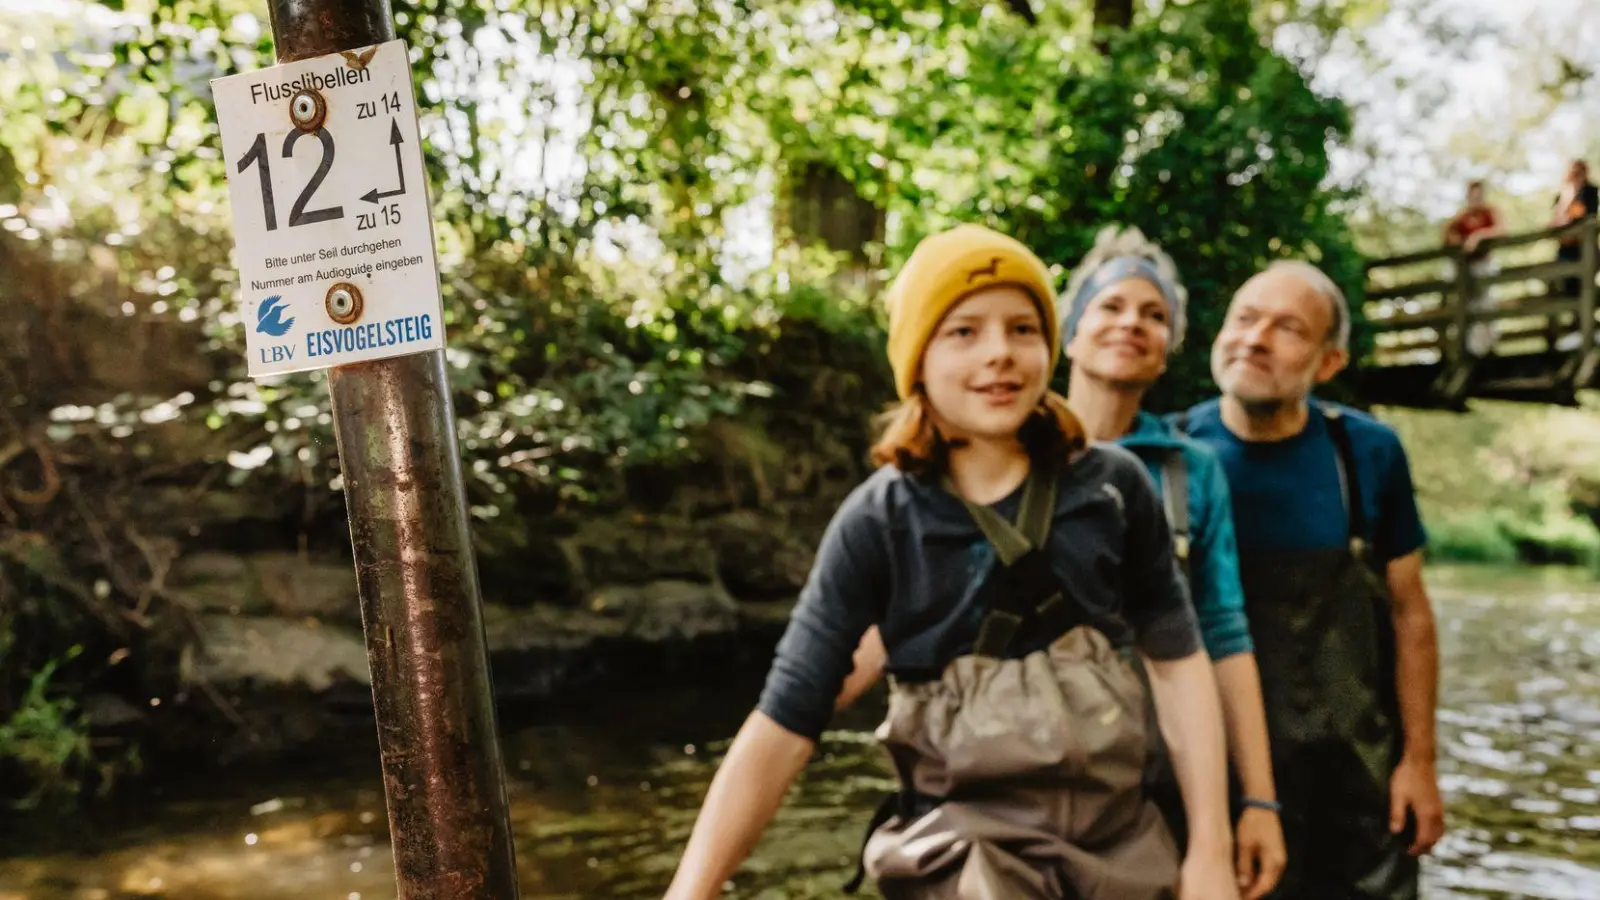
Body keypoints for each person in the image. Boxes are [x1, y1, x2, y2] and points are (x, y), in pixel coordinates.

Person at [662, 224, 1240, 900]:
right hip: (957, 859)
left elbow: (1177, 665)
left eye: (1023, 329)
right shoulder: (876, 522)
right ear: (918, 361)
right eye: (963, 332)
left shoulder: (1115, 488)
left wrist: (1211, 851)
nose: (999, 353)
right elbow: (786, 721)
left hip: (1121, 847)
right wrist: (690, 891)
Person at [1180, 261, 1446, 900]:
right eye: (1245, 318)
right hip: (1221, 781)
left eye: (1288, 328)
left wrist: (1420, 763)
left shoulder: (1367, 454)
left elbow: (1411, 615)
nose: (1256, 338)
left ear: (1328, 364)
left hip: (1359, 783)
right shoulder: (1170, 454)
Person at [1057, 225, 1284, 900]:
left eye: (1154, 316)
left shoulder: (1192, 473)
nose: (1133, 323)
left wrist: (1259, 804)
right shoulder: (1003, 443)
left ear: (1166, 356)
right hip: (1015, 779)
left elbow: (1224, 633)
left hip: (1151, 787)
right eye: (1112, 306)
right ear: (1069, 333)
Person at [1441, 181, 1504, 356]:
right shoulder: (1461, 217)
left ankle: (1489, 347)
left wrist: (1478, 236)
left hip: (1485, 266)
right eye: (1472, 195)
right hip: (1467, 270)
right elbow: (1447, 235)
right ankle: (1470, 349)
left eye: (1478, 195)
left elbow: (1502, 230)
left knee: (1487, 305)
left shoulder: (1490, 212)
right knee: (1469, 308)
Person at [1550, 159, 1598, 300]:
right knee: (1565, 285)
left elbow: (1588, 217)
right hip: (1566, 250)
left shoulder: (1590, 192)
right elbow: (1556, 223)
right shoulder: (1562, 195)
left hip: (1585, 248)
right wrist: (1566, 199)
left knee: (1585, 286)